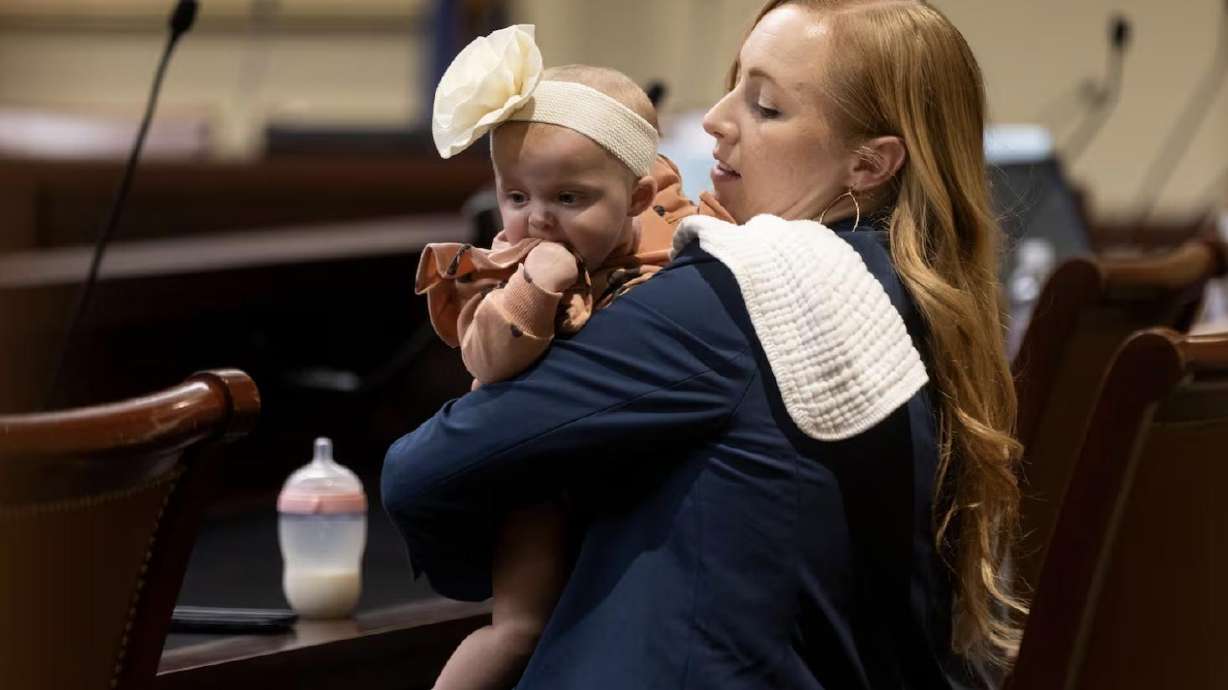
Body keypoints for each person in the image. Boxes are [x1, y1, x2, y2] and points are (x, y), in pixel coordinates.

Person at [383, 1, 1025, 688]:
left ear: (870, 163)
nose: (716, 119)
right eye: (733, 84)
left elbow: (426, 472)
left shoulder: (748, 289)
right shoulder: (915, 294)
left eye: (765, 107)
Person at [414, 25, 715, 690]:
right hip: (538, 478)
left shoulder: (672, 239)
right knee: (521, 628)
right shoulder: (509, 268)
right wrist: (535, 288)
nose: (538, 219)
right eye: (517, 196)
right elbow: (486, 362)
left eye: (568, 198)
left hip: (630, 474)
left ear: (637, 198)